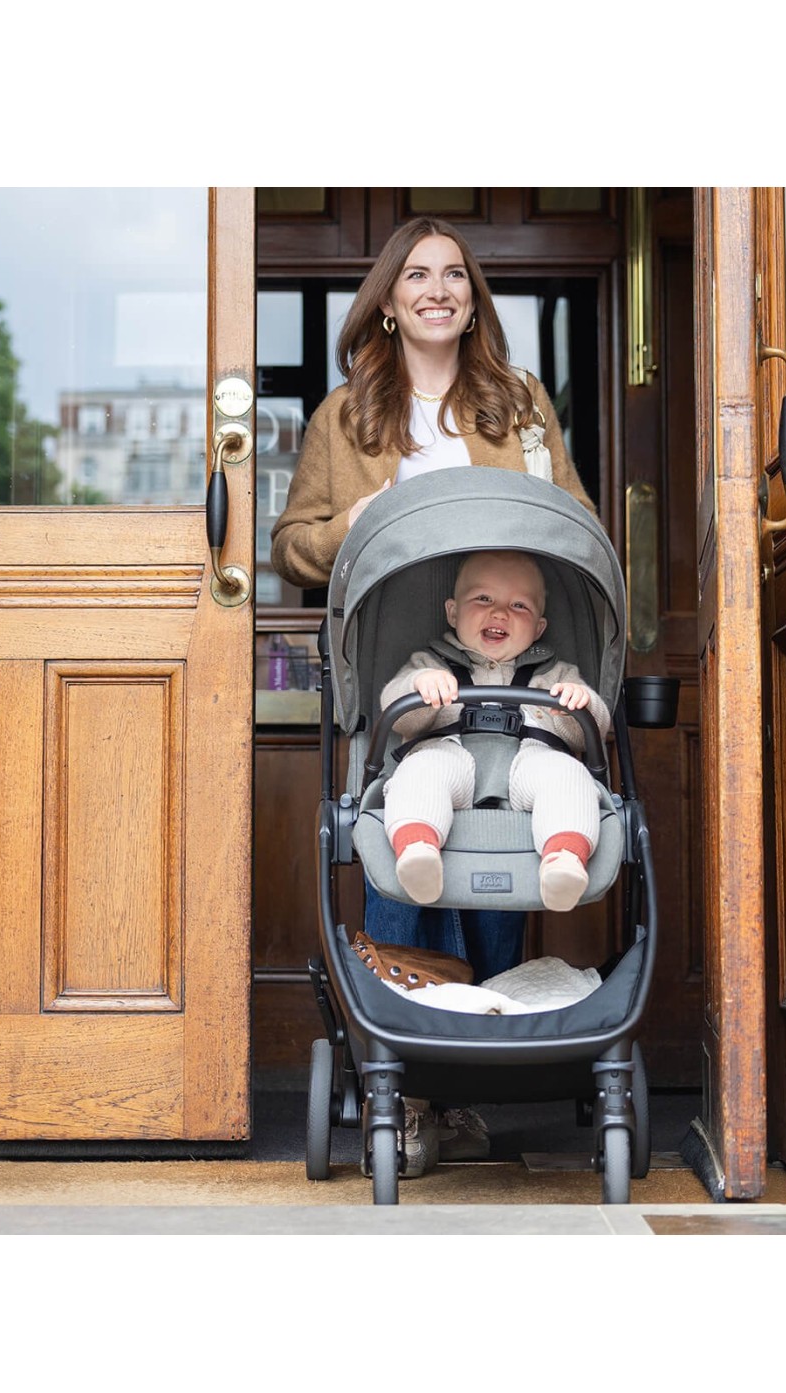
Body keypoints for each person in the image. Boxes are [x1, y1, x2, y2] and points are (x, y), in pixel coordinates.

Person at [269, 216, 600, 1174]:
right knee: (402, 852)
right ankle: (410, 1089)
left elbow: (574, 520)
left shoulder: (519, 402)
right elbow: (292, 547)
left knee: (495, 858)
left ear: (472, 298)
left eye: (455, 274)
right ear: (388, 300)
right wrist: (354, 521)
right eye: (417, 275)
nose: (438, 290)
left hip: (509, 667)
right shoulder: (347, 416)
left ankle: (474, 1075)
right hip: (403, 667)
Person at [381, 549, 610, 914]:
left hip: (530, 764)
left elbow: (588, 735)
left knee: (568, 775)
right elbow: (398, 717)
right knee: (419, 771)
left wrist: (577, 705)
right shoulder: (430, 664)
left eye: (519, 605)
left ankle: (564, 859)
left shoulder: (555, 673)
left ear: (538, 628)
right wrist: (421, 688)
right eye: (483, 599)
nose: (500, 613)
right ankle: (417, 850)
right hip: (449, 755)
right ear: (453, 612)